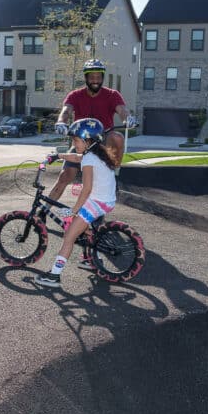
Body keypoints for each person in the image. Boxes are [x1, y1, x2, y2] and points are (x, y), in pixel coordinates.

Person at [35, 118, 120, 289]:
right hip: (106, 200)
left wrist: (74, 210)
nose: (73, 143)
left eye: (75, 140)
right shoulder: (96, 153)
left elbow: (87, 189)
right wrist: (57, 156)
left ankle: (54, 277)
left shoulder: (89, 159)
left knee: (69, 238)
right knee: (82, 229)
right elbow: (76, 156)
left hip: (96, 202)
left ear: (87, 140)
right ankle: (91, 259)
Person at [48, 58, 136, 210]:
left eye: (99, 76)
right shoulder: (75, 95)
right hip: (82, 142)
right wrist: (61, 121)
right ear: (86, 78)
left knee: (118, 137)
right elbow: (66, 111)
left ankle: (114, 171)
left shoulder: (112, 95)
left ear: (102, 77)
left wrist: (128, 118)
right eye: (92, 77)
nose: (95, 80)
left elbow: (122, 110)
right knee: (64, 177)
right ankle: (44, 211)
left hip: (103, 142)